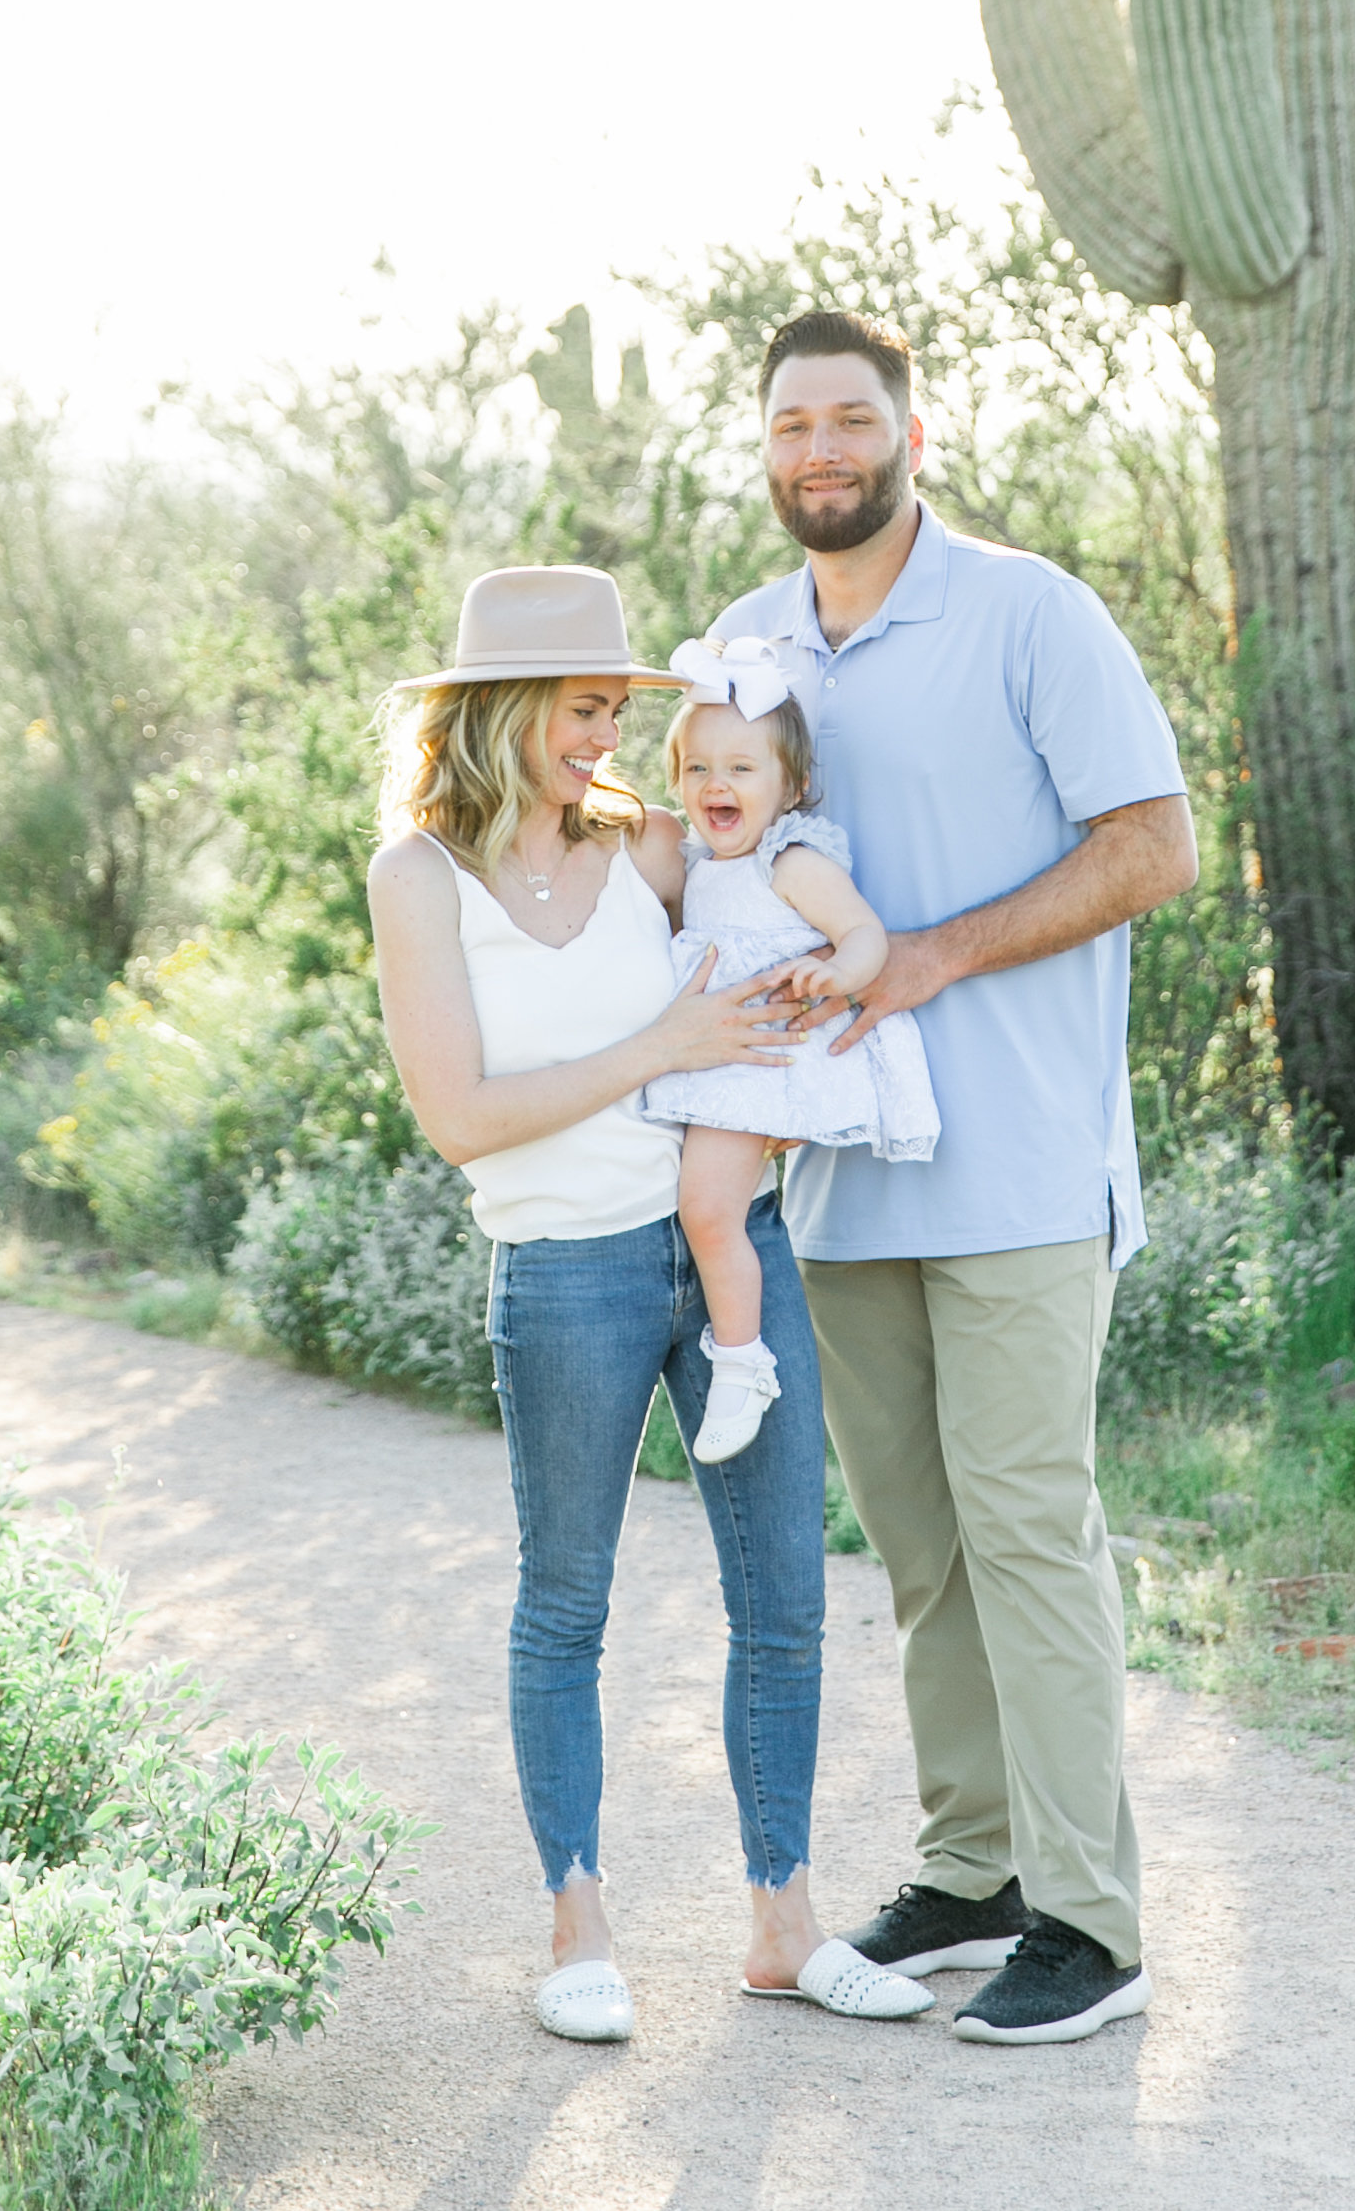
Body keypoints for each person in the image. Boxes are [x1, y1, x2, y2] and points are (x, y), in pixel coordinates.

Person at [705, 312, 1199, 2048]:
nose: (820, 448)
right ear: (763, 448)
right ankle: (974, 1863)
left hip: (1018, 1166)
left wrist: (927, 955)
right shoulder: (752, 644)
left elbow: (1155, 843)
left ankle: (1092, 1914)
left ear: (910, 429)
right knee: (921, 1551)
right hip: (844, 1185)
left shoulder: (1028, 611)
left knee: (1028, 1536)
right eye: (792, 424)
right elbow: (710, 848)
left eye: (850, 417)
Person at [367, 560, 934, 2045]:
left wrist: (812, 1033)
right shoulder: (417, 875)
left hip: (731, 1247)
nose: (604, 738)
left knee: (788, 1601)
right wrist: (665, 1040)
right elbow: (462, 1114)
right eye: (581, 709)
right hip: (565, 1271)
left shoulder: (650, 844)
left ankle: (784, 1923)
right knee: (566, 1603)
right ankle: (577, 1925)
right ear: (497, 708)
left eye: (619, 710)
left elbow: (774, 897)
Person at [637, 635, 938, 1466]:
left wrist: (833, 970)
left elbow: (865, 935)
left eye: (740, 769)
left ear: (792, 787)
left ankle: (742, 1360)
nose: (715, 786)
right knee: (705, 1208)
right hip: (716, 1058)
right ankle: (734, 1347)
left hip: (760, 1061)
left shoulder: (789, 859)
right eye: (697, 770)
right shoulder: (699, 862)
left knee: (708, 1208)